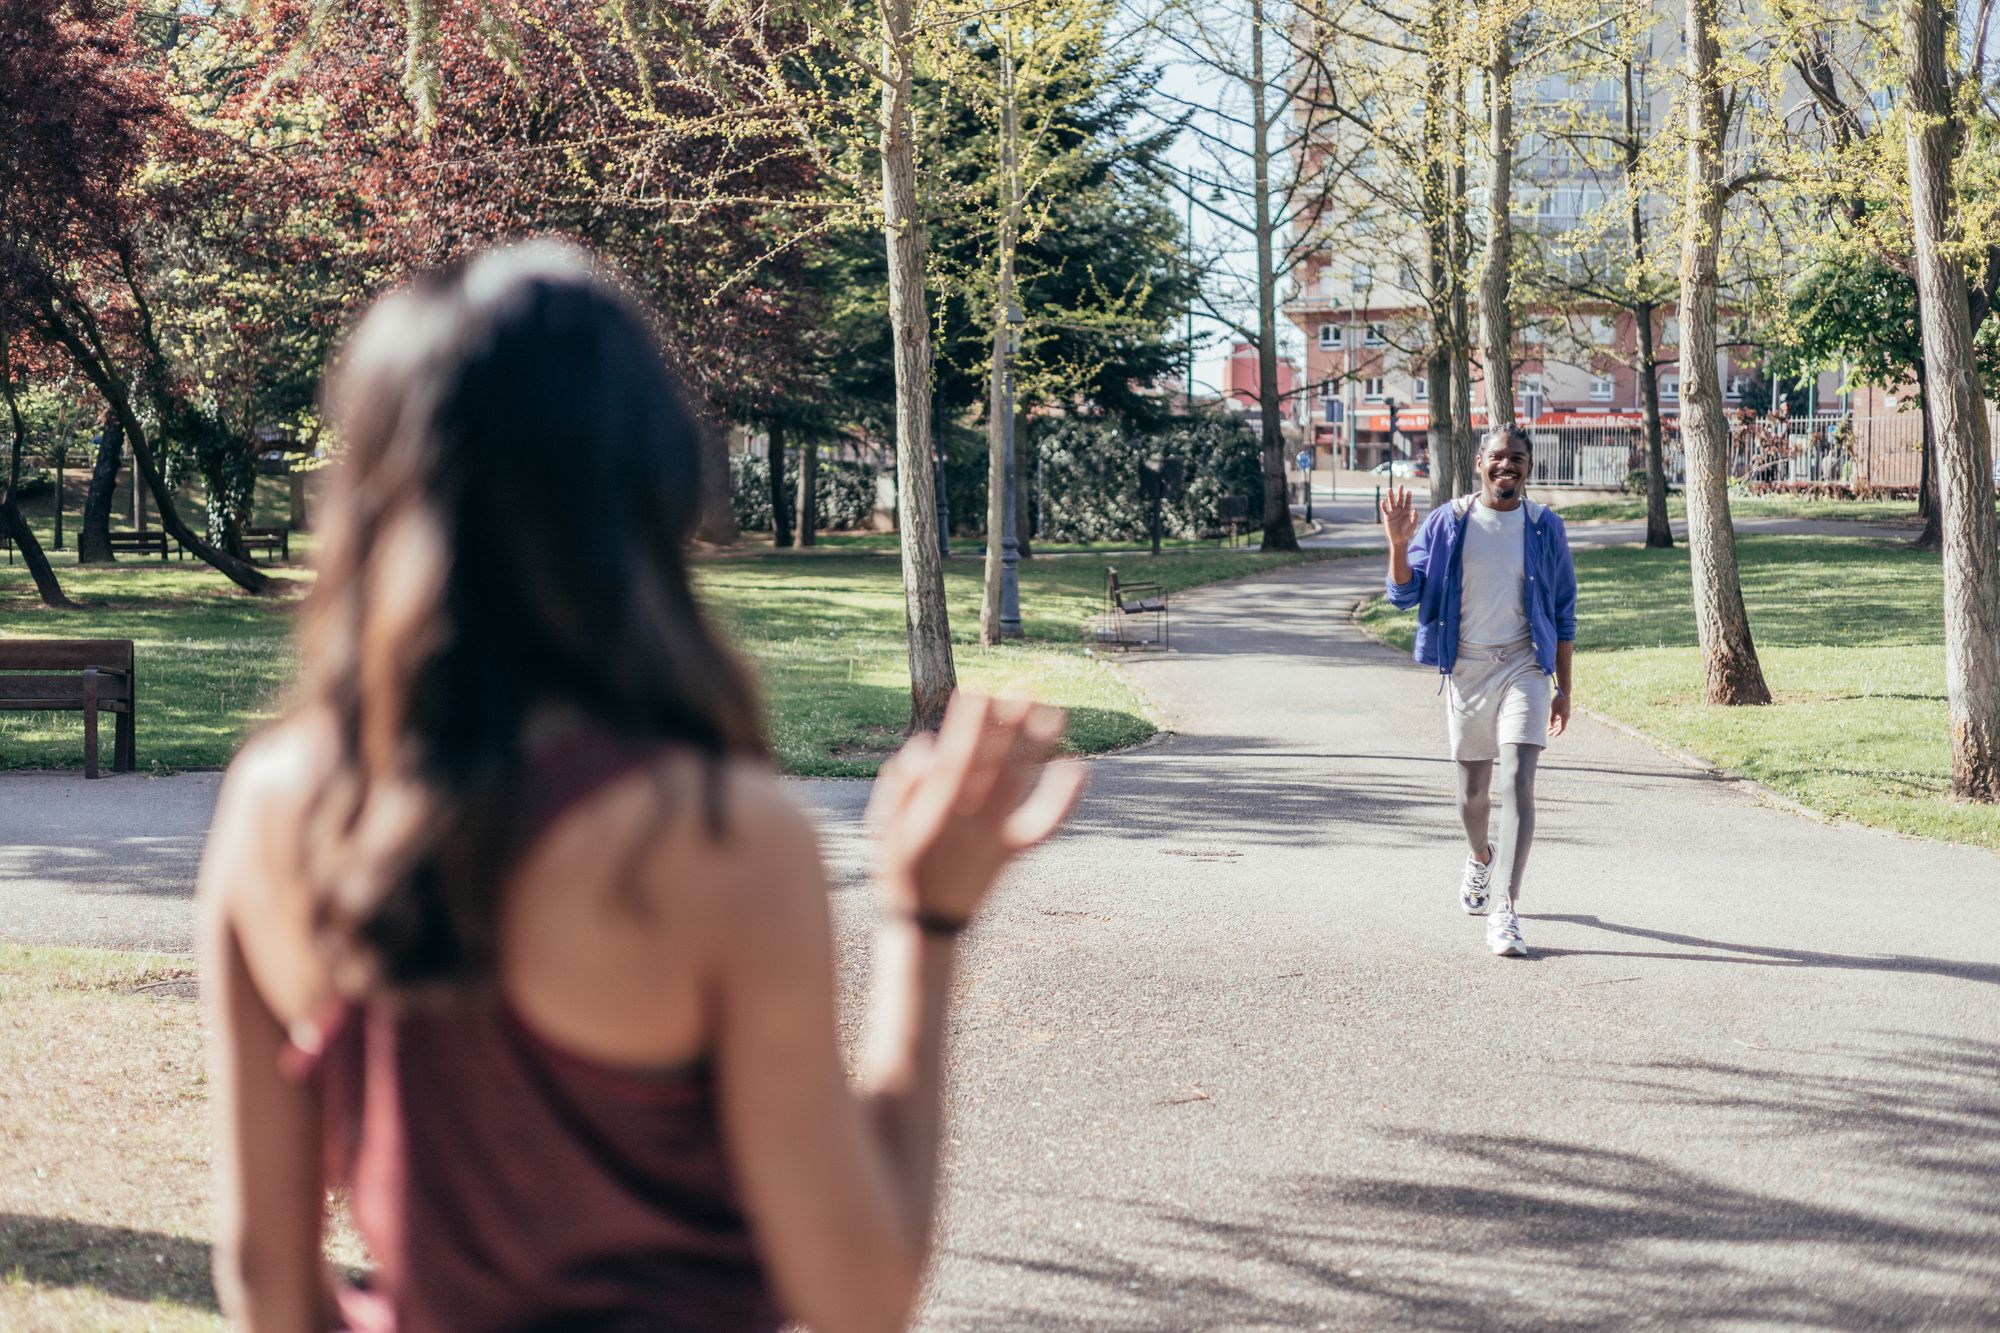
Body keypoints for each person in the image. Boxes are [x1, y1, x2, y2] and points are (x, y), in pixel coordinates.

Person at [197, 241, 1085, 1333]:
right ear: (643, 479)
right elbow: (859, 1295)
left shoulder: (271, 807)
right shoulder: (715, 837)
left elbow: (267, 1285)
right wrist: (924, 918)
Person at [1379, 425, 1576, 957]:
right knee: (1471, 796)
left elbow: (1562, 613)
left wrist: (1563, 687)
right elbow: (1404, 595)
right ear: (1480, 465)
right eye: (1497, 457)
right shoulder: (1449, 522)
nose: (1506, 465)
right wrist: (1399, 545)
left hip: (1524, 666)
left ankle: (1506, 909)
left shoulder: (1544, 527)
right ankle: (1480, 857)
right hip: (1466, 667)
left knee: (1518, 782)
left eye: (1517, 458)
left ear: (1529, 467)